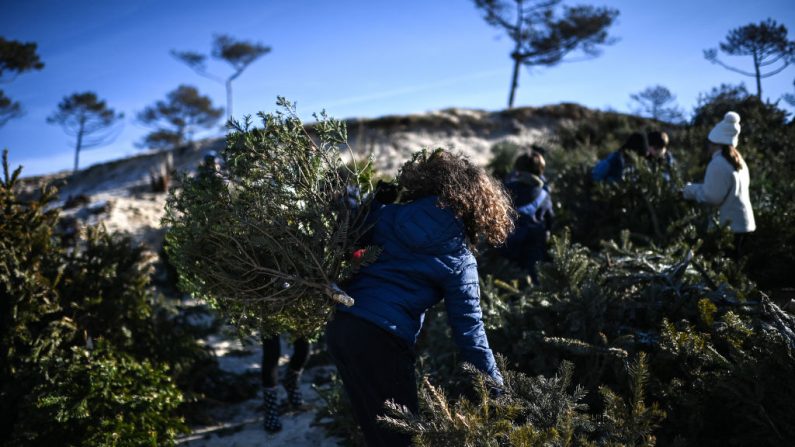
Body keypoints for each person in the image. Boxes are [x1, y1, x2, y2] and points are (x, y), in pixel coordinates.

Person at [325, 150, 513, 446]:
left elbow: (346, 238)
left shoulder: (389, 213)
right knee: (403, 439)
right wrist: (498, 391)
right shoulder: (460, 257)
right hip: (383, 339)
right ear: (480, 204)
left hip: (342, 327)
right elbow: (470, 332)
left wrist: (371, 202)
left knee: (378, 436)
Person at [682, 111, 755, 256]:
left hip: (728, 227)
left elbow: (713, 197)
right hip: (745, 224)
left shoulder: (718, 163)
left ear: (715, 143)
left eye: (709, 142)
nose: (708, 146)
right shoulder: (739, 161)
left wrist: (689, 190)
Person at [498, 149, 554, 284]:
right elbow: (550, 219)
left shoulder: (506, 189)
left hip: (507, 244)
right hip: (534, 246)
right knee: (534, 280)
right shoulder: (543, 193)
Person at [262, 334, 310, 433]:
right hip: (267, 319)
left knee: (304, 349)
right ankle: (270, 408)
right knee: (271, 354)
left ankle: (291, 383)